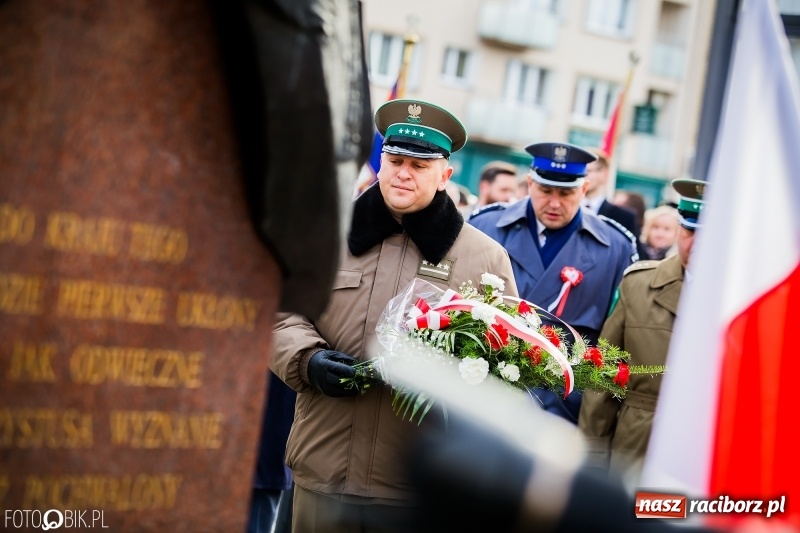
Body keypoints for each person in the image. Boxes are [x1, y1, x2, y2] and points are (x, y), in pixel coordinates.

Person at [270, 99, 517, 532]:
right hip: (323, 466)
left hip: (419, 481)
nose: (403, 172)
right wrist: (307, 360)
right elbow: (277, 311)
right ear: (380, 164)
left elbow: (508, 361)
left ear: (445, 175)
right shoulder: (326, 232)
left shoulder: (484, 256)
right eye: (395, 160)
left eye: (419, 166)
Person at [469, 142, 636, 424]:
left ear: (584, 190)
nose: (555, 203)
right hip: (485, 400)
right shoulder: (485, 227)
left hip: (561, 412)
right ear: (530, 184)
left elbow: (616, 346)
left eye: (567, 193)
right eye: (546, 191)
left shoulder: (615, 248)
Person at [578, 178, 706, 485]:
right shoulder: (639, 284)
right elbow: (604, 372)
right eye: (690, 230)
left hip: (706, 451)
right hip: (635, 442)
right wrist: (592, 453)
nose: (696, 243)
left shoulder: (748, 299)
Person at [583, 150, 642, 246]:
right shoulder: (564, 209)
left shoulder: (624, 217)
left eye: (588, 171)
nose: (583, 175)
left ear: (604, 173)